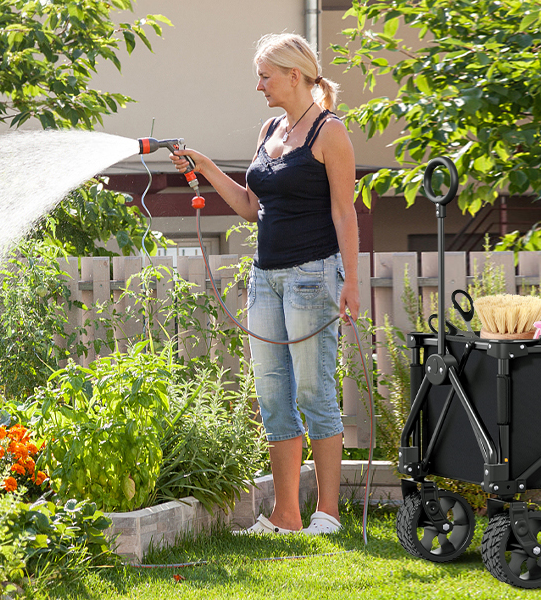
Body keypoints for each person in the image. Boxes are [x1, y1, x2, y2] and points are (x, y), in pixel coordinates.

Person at [172, 32, 360, 535]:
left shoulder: (329, 132)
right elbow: (250, 207)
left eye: (265, 76)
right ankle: (285, 515)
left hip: (313, 275)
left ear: (294, 75)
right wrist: (206, 166)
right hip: (266, 278)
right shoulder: (270, 129)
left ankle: (328, 514)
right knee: (274, 396)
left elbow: (344, 213)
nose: (259, 86)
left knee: (315, 391)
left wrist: (350, 281)